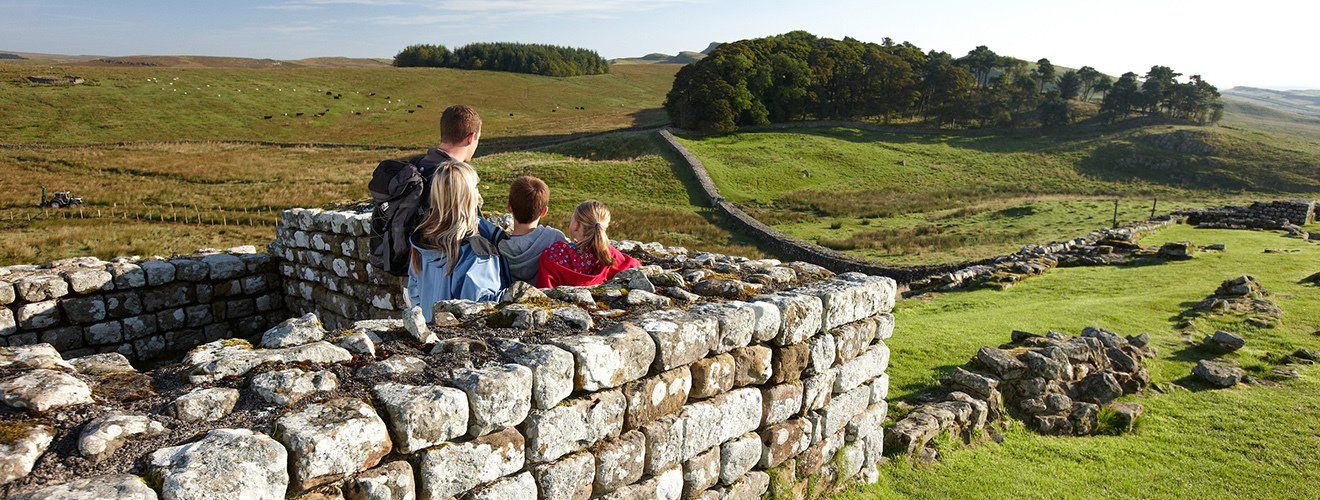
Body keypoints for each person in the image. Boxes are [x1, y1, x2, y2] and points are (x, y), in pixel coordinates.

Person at [406, 160, 506, 321]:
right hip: (462, 341)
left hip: (429, 334)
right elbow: (482, 307)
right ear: (467, 196)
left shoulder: (422, 239)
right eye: (475, 187)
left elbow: (414, 291)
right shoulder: (477, 252)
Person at [535, 200, 639, 288]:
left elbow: (544, 289)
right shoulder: (608, 255)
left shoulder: (554, 254)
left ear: (576, 225)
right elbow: (634, 266)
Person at [498, 176, 567, 284]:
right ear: (544, 211)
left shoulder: (499, 245)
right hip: (545, 296)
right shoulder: (555, 237)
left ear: (509, 207)